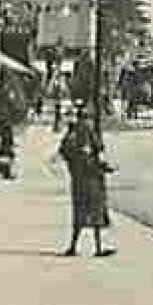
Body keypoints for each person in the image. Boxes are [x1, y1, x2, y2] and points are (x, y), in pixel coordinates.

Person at [59, 108, 115, 258]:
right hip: (91, 179)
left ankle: (73, 246)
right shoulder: (88, 131)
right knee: (95, 213)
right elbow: (98, 153)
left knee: (79, 213)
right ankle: (97, 247)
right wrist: (103, 166)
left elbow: (64, 152)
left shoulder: (72, 134)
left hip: (78, 180)